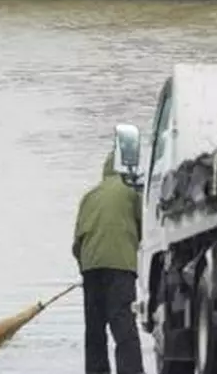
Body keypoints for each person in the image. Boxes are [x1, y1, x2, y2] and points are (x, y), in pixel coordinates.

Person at [72, 151, 145, 374]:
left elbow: (77, 242)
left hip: (91, 266)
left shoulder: (89, 196)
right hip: (120, 267)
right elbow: (144, 228)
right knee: (123, 325)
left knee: (94, 329)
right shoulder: (132, 194)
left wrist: (85, 270)